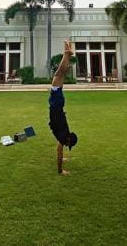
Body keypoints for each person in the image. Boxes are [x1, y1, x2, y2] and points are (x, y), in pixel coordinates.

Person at [48, 40, 78, 175]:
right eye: (68, 144)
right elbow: (59, 150)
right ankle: (67, 54)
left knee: (60, 75)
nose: (66, 146)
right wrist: (60, 171)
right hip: (56, 103)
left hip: (58, 104)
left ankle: (67, 54)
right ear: (68, 140)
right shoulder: (63, 136)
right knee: (59, 75)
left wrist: (62, 156)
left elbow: (60, 149)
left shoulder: (64, 134)